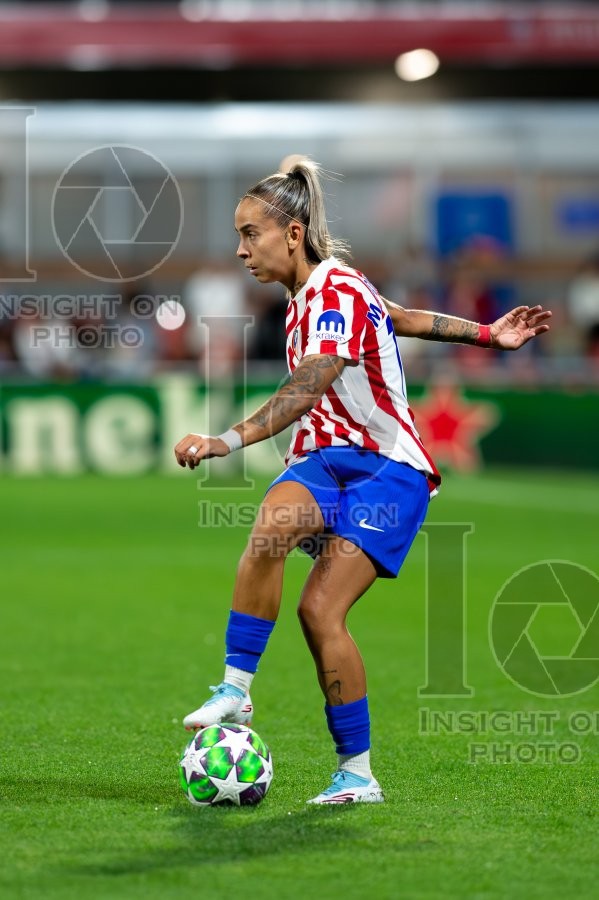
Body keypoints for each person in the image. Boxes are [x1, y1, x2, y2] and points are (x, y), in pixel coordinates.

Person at [174, 158, 551, 805]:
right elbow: (399, 315)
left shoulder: (332, 291)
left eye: (249, 234)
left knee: (320, 611)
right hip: (326, 459)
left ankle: (356, 773)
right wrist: (487, 334)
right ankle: (235, 690)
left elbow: (308, 385)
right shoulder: (315, 297)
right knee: (269, 527)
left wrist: (225, 440)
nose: (240, 250)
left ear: (291, 233)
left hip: (386, 469)